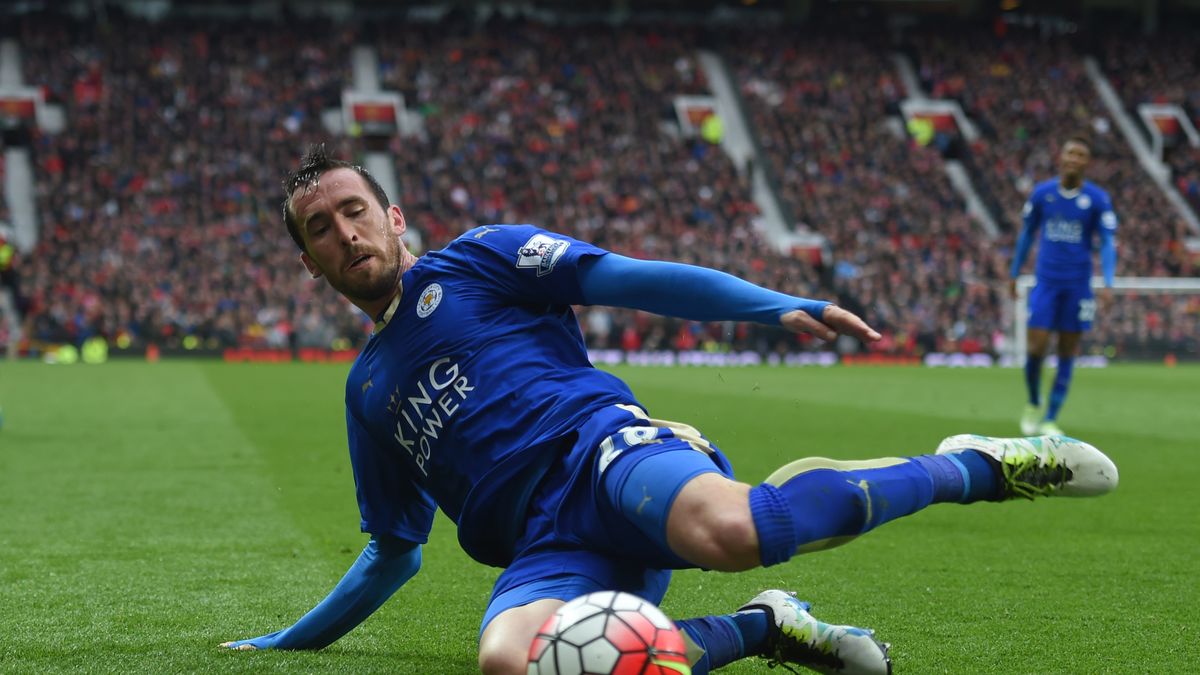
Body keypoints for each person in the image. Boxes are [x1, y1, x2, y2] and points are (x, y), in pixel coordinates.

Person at [221, 146, 1119, 675]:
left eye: (354, 211)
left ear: (393, 215)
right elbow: (393, 549)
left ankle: (980, 466)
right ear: (310, 263)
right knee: (508, 662)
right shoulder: (366, 392)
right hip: (545, 547)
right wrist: (284, 641)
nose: (345, 234)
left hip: (607, 454)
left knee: (730, 532)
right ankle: (770, 626)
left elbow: (622, 276)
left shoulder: (477, 262)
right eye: (321, 230)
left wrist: (768, 303)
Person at [1010, 134, 1118, 436]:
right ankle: (1033, 401)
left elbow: (1108, 242)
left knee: (1068, 350)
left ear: (1087, 162)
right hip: (1046, 283)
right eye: (1070, 152)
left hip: (1078, 286)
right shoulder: (1042, 194)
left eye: (1081, 155)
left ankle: (1051, 418)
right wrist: (1014, 273)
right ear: (1061, 156)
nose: (1074, 159)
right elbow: (1026, 235)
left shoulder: (1097, 199)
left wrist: (1108, 282)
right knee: (1036, 347)